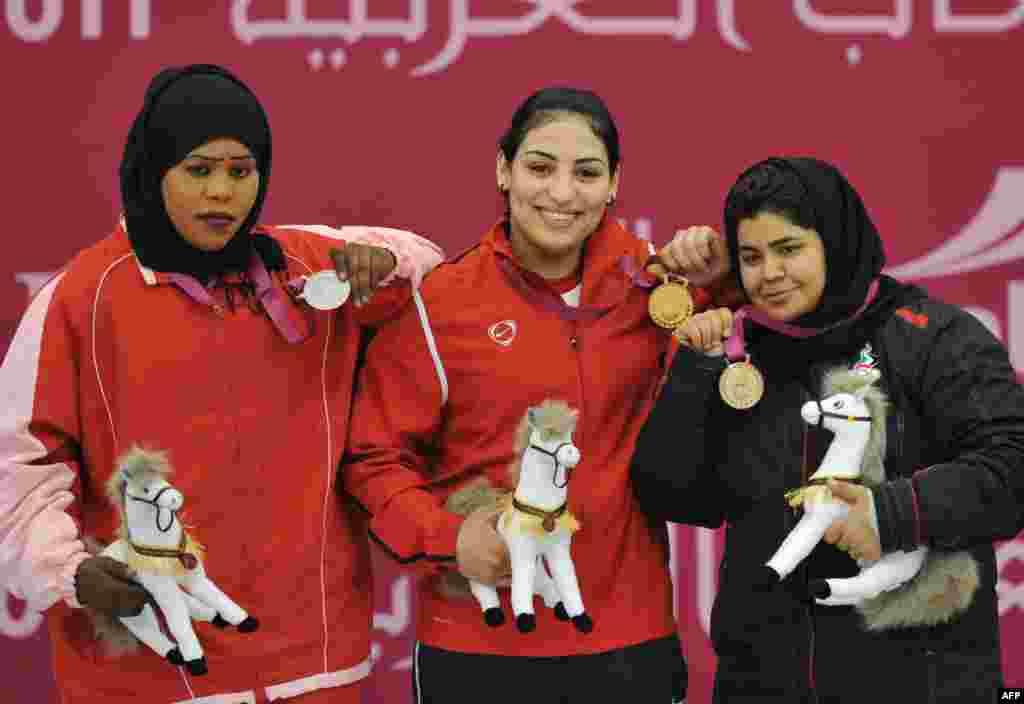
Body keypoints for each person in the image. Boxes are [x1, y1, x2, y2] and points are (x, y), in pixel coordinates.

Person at [0, 64, 443, 703]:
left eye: (241, 171)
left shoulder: (305, 265)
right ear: (154, 172)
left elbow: (435, 274)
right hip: (153, 672)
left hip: (315, 663)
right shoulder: (80, 299)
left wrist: (385, 262)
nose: (222, 194)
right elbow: (18, 467)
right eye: (198, 170)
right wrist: (71, 573)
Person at [341, 86, 737, 704]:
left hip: (629, 642)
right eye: (539, 167)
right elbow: (372, 460)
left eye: (586, 173)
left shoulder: (661, 286)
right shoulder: (440, 304)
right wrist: (450, 537)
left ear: (613, 184)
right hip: (478, 646)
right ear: (503, 170)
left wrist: (724, 271)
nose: (560, 193)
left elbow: (786, 303)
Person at [630, 156, 1024, 703]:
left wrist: (890, 514)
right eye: (751, 257)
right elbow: (673, 493)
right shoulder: (742, 355)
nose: (769, 273)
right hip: (760, 686)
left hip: (922, 686)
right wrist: (698, 366)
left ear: (836, 242)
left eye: (789, 249)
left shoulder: (934, 338)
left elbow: (1011, 466)